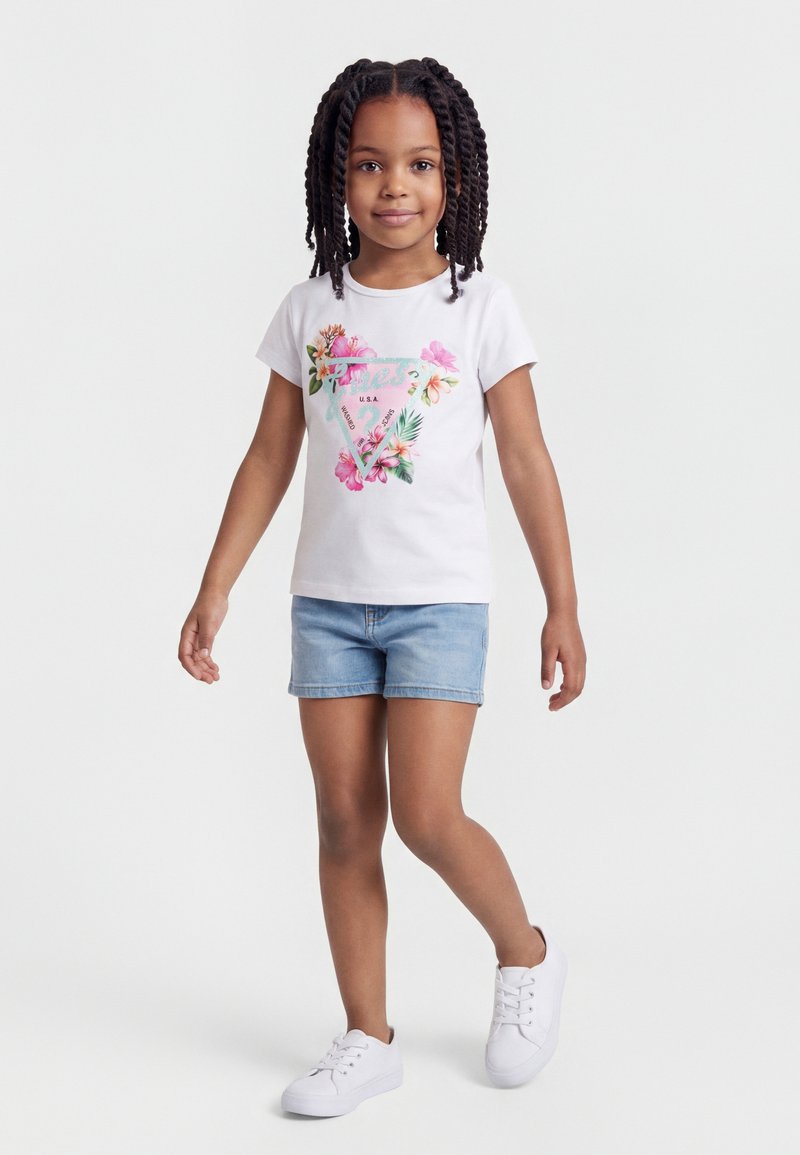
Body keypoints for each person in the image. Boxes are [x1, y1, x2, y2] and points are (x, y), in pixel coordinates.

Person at [178, 56, 586, 1117]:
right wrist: (217, 585)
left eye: (418, 165)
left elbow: (526, 459)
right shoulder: (310, 307)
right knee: (344, 822)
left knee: (429, 815)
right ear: (336, 177)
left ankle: (526, 953)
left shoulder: (479, 306)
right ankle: (368, 1036)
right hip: (327, 606)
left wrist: (563, 602)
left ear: (455, 178)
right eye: (368, 165)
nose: (393, 186)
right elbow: (269, 456)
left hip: (439, 604)